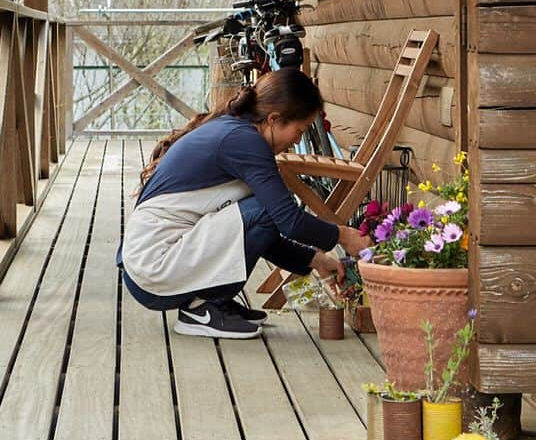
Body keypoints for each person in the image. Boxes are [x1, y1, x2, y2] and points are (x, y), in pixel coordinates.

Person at [117, 67, 371, 339]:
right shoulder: (246, 142)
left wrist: (315, 260)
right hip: (154, 269)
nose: (298, 140)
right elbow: (286, 221)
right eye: (299, 130)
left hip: (148, 269)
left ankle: (210, 302)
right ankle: (203, 308)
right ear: (274, 119)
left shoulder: (237, 130)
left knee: (265, 211)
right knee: (268, 209)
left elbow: (262, 231)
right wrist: (342, 235)